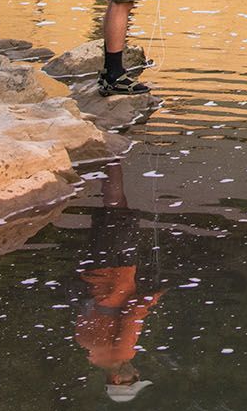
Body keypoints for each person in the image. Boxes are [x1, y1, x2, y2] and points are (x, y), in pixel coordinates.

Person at [75, 159, 164, 400]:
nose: (137, 373)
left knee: (117, 208)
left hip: (118, 272)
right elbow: (85, 306)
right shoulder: (89, 350)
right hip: (95, 269)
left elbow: (133, 313)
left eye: (132, 379)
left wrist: (155, 297)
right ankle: (105, 159)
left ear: (116, 379)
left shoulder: (122, 352)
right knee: (111, 209)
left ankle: (112, 155)